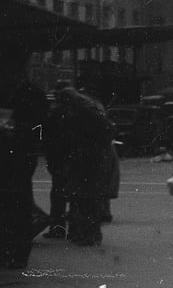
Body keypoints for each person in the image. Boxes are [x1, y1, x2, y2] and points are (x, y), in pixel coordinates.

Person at [0, 53, 49, 268]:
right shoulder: (16, 92)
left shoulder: (30, 94)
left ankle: (17, 253)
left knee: (17, 203)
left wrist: (18, 131)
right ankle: (11, 250)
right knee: (13, 203)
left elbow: (41, 127)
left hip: (19, 154)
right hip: (13, 154)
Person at [50, 87, 113, 246]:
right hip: (87, 157)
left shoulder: (85, 113)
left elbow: (107, 131)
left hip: (89, 158)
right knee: (84, 197)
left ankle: (90, 233)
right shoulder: (84, 111)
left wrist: (92, 147)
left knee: (86, 197)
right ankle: (86, 232)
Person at [43, 80, 73, 239]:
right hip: (69, 156)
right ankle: (72, 227)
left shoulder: (56, 112)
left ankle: (58, 227)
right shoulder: (73, 111)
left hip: (59, 157)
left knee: (58, 193)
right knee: (71, 192)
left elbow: (49, 137)